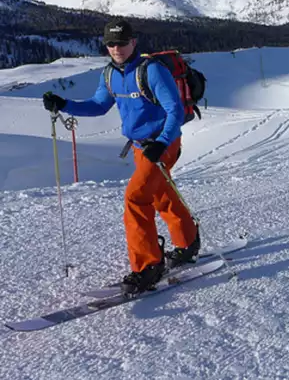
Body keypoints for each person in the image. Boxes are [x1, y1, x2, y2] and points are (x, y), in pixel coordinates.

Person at [41, 19, 200, 295]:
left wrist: (161, 142)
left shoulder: (151, 71)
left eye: (122, 42)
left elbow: (174, 110)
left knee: (136, 197)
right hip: (141, 147)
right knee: (160, 193)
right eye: (111, 43)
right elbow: (99, 105)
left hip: (163, 144)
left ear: (133, 42)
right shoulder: (110, 74)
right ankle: (188, 242)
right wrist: (64, 104)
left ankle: (148, 266)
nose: (116, 48)